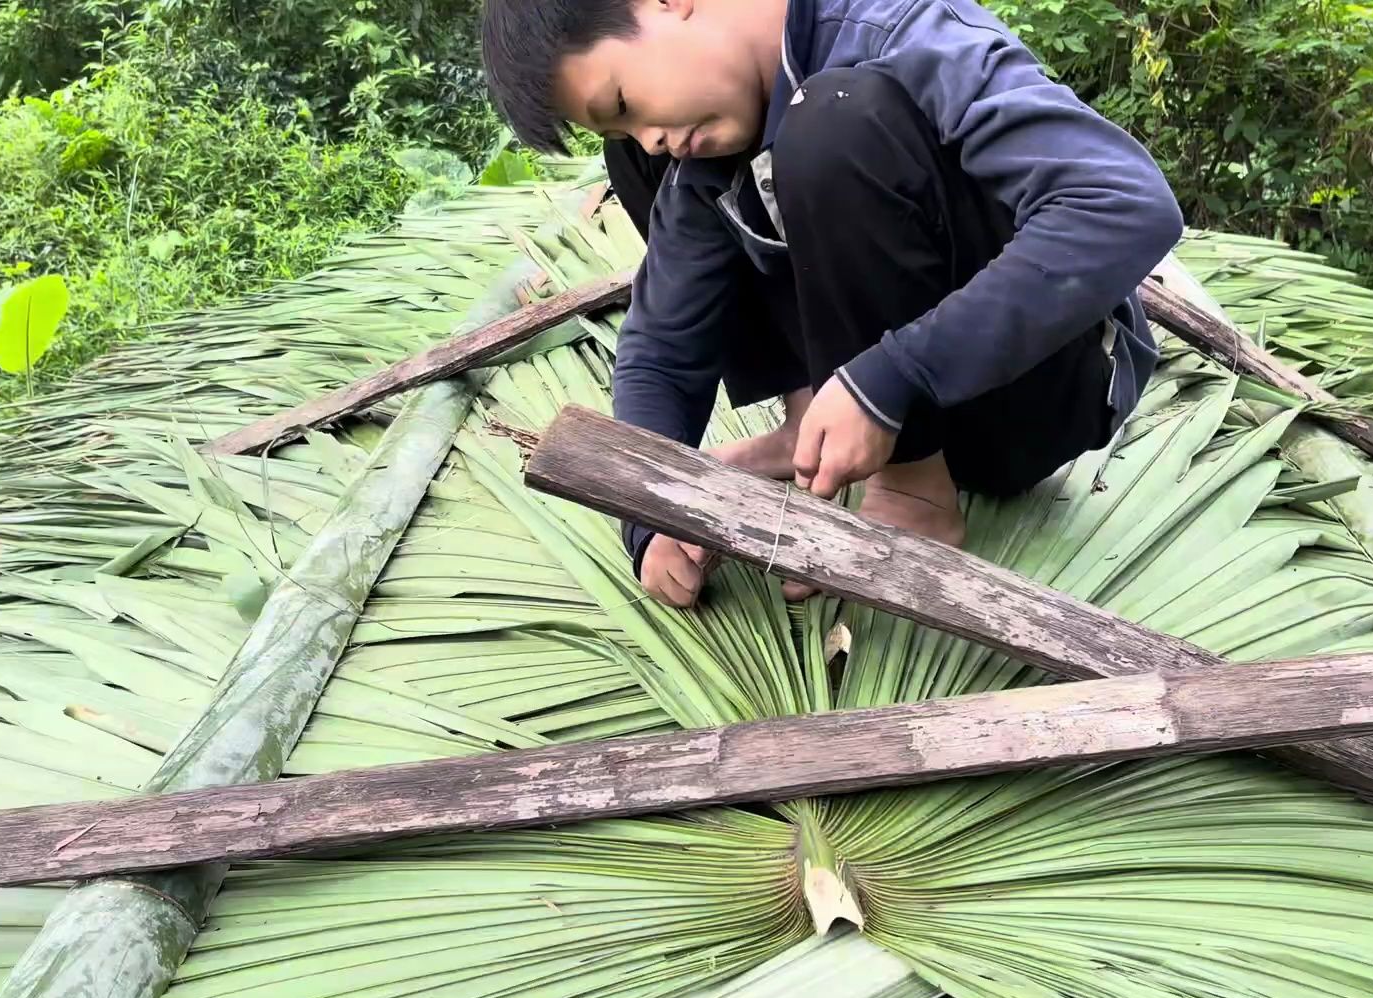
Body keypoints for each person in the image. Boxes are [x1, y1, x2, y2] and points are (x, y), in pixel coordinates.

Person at [481, 0, 1183, 608]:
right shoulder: (701, 130)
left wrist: (891, 379)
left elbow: (1125, 207)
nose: (650, 134)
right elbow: (663, 344)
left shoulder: (903, 31)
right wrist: (649, 507)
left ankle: (912, 486)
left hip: (1033, 398)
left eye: (624, 107)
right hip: (874, 388)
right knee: (655, 165)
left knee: (833, 122)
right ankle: (813, 417)